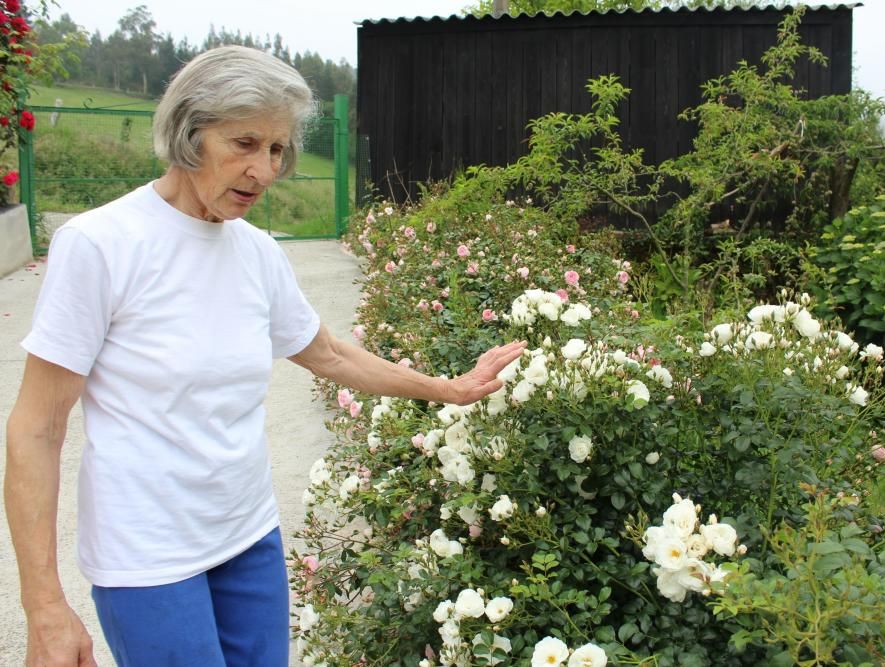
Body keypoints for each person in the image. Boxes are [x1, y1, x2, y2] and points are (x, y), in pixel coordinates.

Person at [4, 45, 524, 667]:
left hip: (248, 536)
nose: (265, 170)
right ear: (188, 134)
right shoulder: (99, 245)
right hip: (148, 556)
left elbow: (329, 354)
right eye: (245, 143)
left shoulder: (256, 253)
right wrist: (46, 608)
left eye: (277, 150)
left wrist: (452, 389)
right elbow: (37, 429)